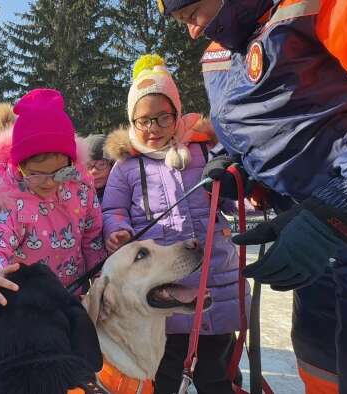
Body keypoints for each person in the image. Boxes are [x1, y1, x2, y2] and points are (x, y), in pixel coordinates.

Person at [158, 0, 347, 392]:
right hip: (304, 229)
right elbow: (258, 132)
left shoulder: (316, 7)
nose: (192, 32)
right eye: (182, 23)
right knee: (319, 356)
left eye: (193, 16)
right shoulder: (218, 58)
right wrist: (236, 168)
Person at [101, 54, 248, 394]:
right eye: (143, 121)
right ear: (132, 122)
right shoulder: (125, 167)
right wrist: (117, 231)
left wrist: (231, 180)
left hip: (214, 278)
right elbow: (112, 210)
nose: (153, 128)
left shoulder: (202, 154)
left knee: (217, 375)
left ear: (177, 113)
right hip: (160, 289)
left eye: (162, 118)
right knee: (165, 375)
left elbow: (231, 199)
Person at [0, 88, 107, 317]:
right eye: (37, 174)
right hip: (26, 307)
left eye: (60, 172)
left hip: (73, 297)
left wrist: (101, 279)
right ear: (19, 166)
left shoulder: (80, 185)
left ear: (72, 160)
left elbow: (92, 236)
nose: (49, 182)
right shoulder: (8, 198)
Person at [83, 134, 113, 202]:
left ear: (112, 165)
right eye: (88, 165)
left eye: (101, 164)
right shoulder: (73, 198)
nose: (94, 171)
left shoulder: (123, 196)